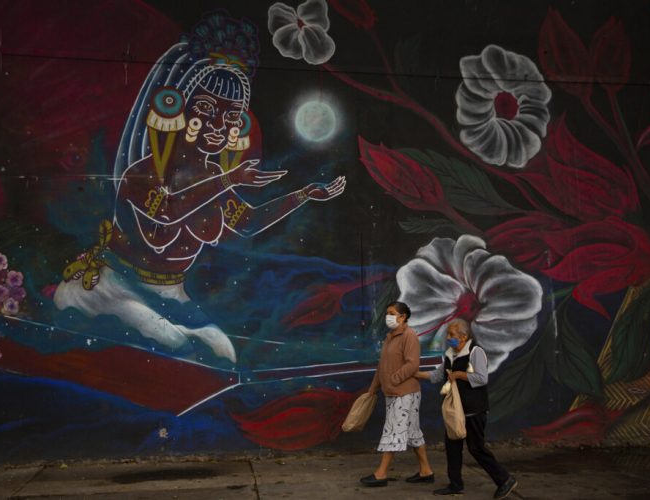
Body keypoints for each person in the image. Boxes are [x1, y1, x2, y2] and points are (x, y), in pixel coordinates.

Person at [54, 13, 345, 363]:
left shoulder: (216, 182)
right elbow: (168, 211)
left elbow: (247, 221)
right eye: (206, 109)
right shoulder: (144, 173)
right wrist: (229, 179)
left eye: (230, 118)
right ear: (177, 108)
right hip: (114, 288)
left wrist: (303, 195)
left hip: (172, 295)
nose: (217, 126)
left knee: (225, 354)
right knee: (177, 350)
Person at [415, 318, 517, 499]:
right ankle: (455, 484)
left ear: (463, 336)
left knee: (476, 448)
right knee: (452, 447)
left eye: (452, 335)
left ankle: (505, 479)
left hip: (473, 411)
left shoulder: (475, 352)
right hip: (456, 412)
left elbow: (481, 378)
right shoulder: (449, 354)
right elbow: (437, 375)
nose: (448, 338)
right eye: (448, 334)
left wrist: (461, 374)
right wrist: (414, 374)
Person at [360, 301, 435, 487]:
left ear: (403, 317)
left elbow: (412, 364)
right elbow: (382, 365)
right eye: (387, 312)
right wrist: (373, 388)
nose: (388, 316)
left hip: (405, 393)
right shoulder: (390, 336)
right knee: (412, 432)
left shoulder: (409, 336)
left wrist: (393, 379)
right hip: (393, 393)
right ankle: (426, 471)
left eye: (392, 313)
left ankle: (381, 473)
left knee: (393, 431)